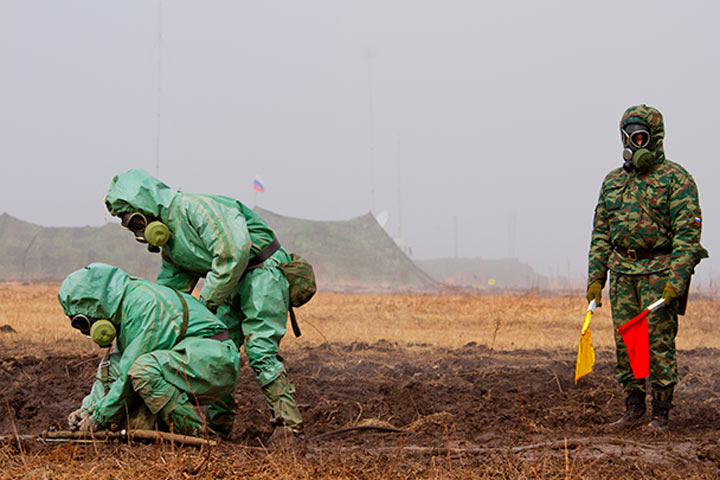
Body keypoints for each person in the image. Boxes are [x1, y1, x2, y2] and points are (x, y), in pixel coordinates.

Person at [104, 169, 303, 441]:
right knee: (216, 348)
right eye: (132, 228)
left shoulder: (196, 208)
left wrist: (206, 305)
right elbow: (169, 297)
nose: (139, 233)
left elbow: (233, 253)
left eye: (137, 222)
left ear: (148, 205)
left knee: (260, 349)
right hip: (228, 287)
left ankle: (288, 427)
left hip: (262, 273)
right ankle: (217, 427)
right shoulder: (172, 248)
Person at [587, 104, 708, 432]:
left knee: (658, 342)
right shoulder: (612, 182)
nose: (633, 144)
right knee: (628, 342)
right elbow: (601, 233)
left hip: (659, 272)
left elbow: (688, 236)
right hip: (623, 273)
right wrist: (596, 279)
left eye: (640, 136)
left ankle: (661, 414)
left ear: (655, 138)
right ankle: (634, 409)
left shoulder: (677, 179)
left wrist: (677, 281)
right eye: (628, 137)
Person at [59, 263, 240, 436]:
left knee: (143, 370)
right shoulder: (126, 306)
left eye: (84, 322)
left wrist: (99, 419)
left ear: (95, 304)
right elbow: (113, 367)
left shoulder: (144, 305)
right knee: (115, 363)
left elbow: (128, 376)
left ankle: (196, 433)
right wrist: (87, 409)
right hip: (195, 359)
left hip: (214, 362)